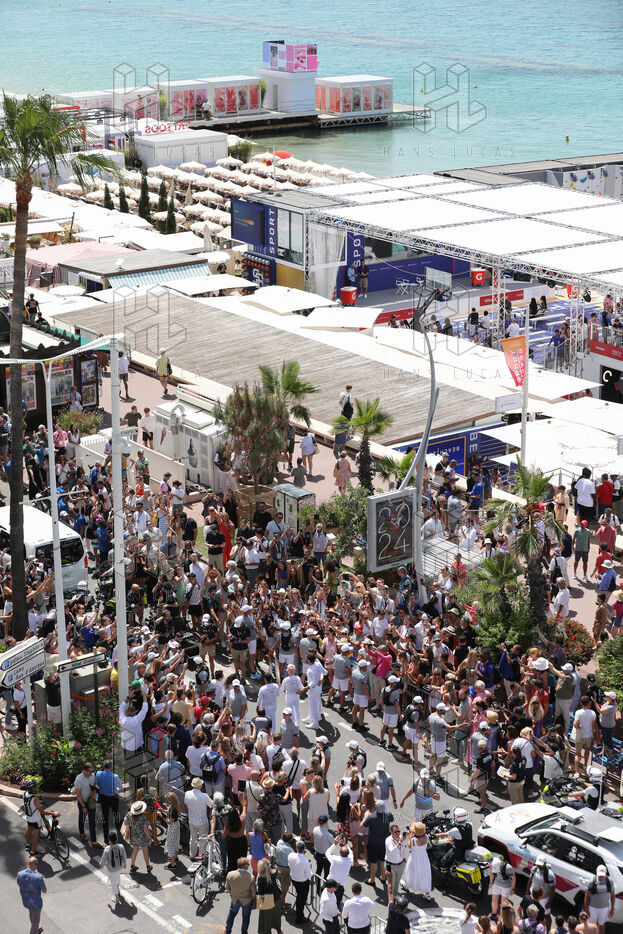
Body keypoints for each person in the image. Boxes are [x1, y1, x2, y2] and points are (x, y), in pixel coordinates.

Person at [22, 779, 60, 857]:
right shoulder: (35, 799)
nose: (36, 788)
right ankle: (33, 852)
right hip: (36, 820)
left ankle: (27, 845)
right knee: (36, 835)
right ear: (33, 788)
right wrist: (53, 813)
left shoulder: (25, 794)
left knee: (29, 829)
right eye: (35, 787)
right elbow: (42, 812)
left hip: (29, 817)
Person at [96, 758, 127, 844]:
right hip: (113, 798)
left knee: (105, 817)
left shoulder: (98, 774)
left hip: (103, 798)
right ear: (111, 767)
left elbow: (97, 784)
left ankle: (106, 837)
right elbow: (120, 787)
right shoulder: (115, 776)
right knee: (116, 812)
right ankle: (118, 827)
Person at [225, 856, 256, 934]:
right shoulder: (251, 877)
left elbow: (227, 887)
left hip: (234, 899)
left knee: (231, 915)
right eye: (248, 864)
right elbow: (253, 892)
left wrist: (232, 894)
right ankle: (244, 932)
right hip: (247, 901)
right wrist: (253, 898)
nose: (249, 865)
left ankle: (228, 931)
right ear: (245, 866)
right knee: (246, 918)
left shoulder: (230, 874)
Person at [17, 855, 47, 934]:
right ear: (36, 865)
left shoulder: (20, 874)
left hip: (26, 900)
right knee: (36, 921)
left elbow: (19, 884)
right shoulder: (38, 877)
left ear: (28, 863)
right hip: (36, 903)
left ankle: (36, 927)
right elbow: (44, 890)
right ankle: (35, 928)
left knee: (31, 913)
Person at [74, 761, 100, 847]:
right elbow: (78, 795)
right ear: (85, 771)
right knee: (82, 818)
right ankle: (82, 833)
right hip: (83, 802)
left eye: (93, 771)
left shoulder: (92, 775)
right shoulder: (79, 779)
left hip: (91, 801)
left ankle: (94, 841)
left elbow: (94, 784)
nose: (92, 773)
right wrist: (83, 806)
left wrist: (95, 790)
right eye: (91, 771)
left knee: (92, 821)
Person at [185, 776, 213, 859]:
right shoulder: (204, 796)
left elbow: (186, 805)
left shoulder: (187, 793)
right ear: (200, 786)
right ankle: (201, 855)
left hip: (192, 820)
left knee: (192, 839)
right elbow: (212, 805)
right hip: (202, 821)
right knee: (203, 840)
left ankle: (192, 854)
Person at [402, 821, 432, 899]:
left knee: (410, 871)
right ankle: (427, 894)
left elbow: (409, 846)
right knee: (424, 874)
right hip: (424, 857)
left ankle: (407, 885)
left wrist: (409, 836)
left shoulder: (414, 840)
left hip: (414, 857)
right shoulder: (426, 837)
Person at [123, 799, 153, 872]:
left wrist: (130, 824)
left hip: (133, 836)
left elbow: (125, 823)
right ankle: (148, 866)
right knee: (145, 852)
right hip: (143, 837)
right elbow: (145, 829)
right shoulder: (143, 818)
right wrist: (150, 838)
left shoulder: (129, 814)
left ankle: (132, 865)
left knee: (135, 850)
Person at [288, 838, 312, 924]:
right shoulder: (305, 862)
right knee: (301, 901)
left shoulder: (291, 855)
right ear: (304, 849)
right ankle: (299, 918)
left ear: (296, 848)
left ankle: (299, 914)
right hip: (302, 883)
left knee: (300, 898)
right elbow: (309, 875)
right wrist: (310, 868)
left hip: (294, 880)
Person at [584, 865, 615, 934]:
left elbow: (612, 895)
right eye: (599, 875)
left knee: (602, 924)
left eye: (602, 875)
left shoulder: (610, 881)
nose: (600, 877)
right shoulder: (592, 881)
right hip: (592, 908)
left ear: (606, 873)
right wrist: (586, 909)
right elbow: (587, 895)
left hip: (605, 908)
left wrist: (612, 909)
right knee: (591, 926)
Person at [99, 830, 127, 905]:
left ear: (109, 840)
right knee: (117, 878)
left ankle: (116, 898)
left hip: (111, 869)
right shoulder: (121, 846)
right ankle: (118, 889)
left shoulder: (107, 849)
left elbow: (103, 859)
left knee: (113, 882)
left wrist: (101, 863)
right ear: (117, 838)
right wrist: (124, 863)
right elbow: (124, 856)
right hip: (119, 866)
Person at [256, 858, 282, 934]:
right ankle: (278, 929)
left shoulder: (260, 878)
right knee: (276, 916)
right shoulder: (274, 872)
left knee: (266, 919)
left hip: (266, 900)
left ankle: (267, 931)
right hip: (276, 898)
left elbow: (260, 892)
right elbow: (273, 868)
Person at [490, 854, 516, 919]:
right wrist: (490, 883)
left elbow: (513, 878)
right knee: (494, 900)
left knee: (503, 903)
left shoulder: (508, 867)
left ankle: (502, 917)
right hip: (496, 884)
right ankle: (494, 914)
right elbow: (491, 873)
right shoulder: (494, 864)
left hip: (506, 887)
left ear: (501, 863)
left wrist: (512, 888)